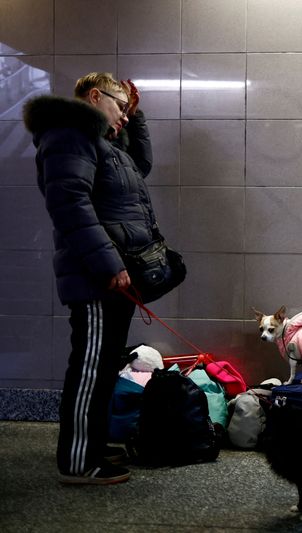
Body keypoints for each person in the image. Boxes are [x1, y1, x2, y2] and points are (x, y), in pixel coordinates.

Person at [23, 72, 160, 485]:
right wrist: (108, 265)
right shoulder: (69, 134)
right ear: (95, 96)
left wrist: (134, 117)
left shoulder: (101, 142)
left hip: (111, 274)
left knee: (102, 368)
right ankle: (79, 462)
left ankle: (94, 448)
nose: (123, 117)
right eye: (120, 107)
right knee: (89, 368)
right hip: (95, 277)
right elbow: (69, 205)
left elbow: (141, 165)